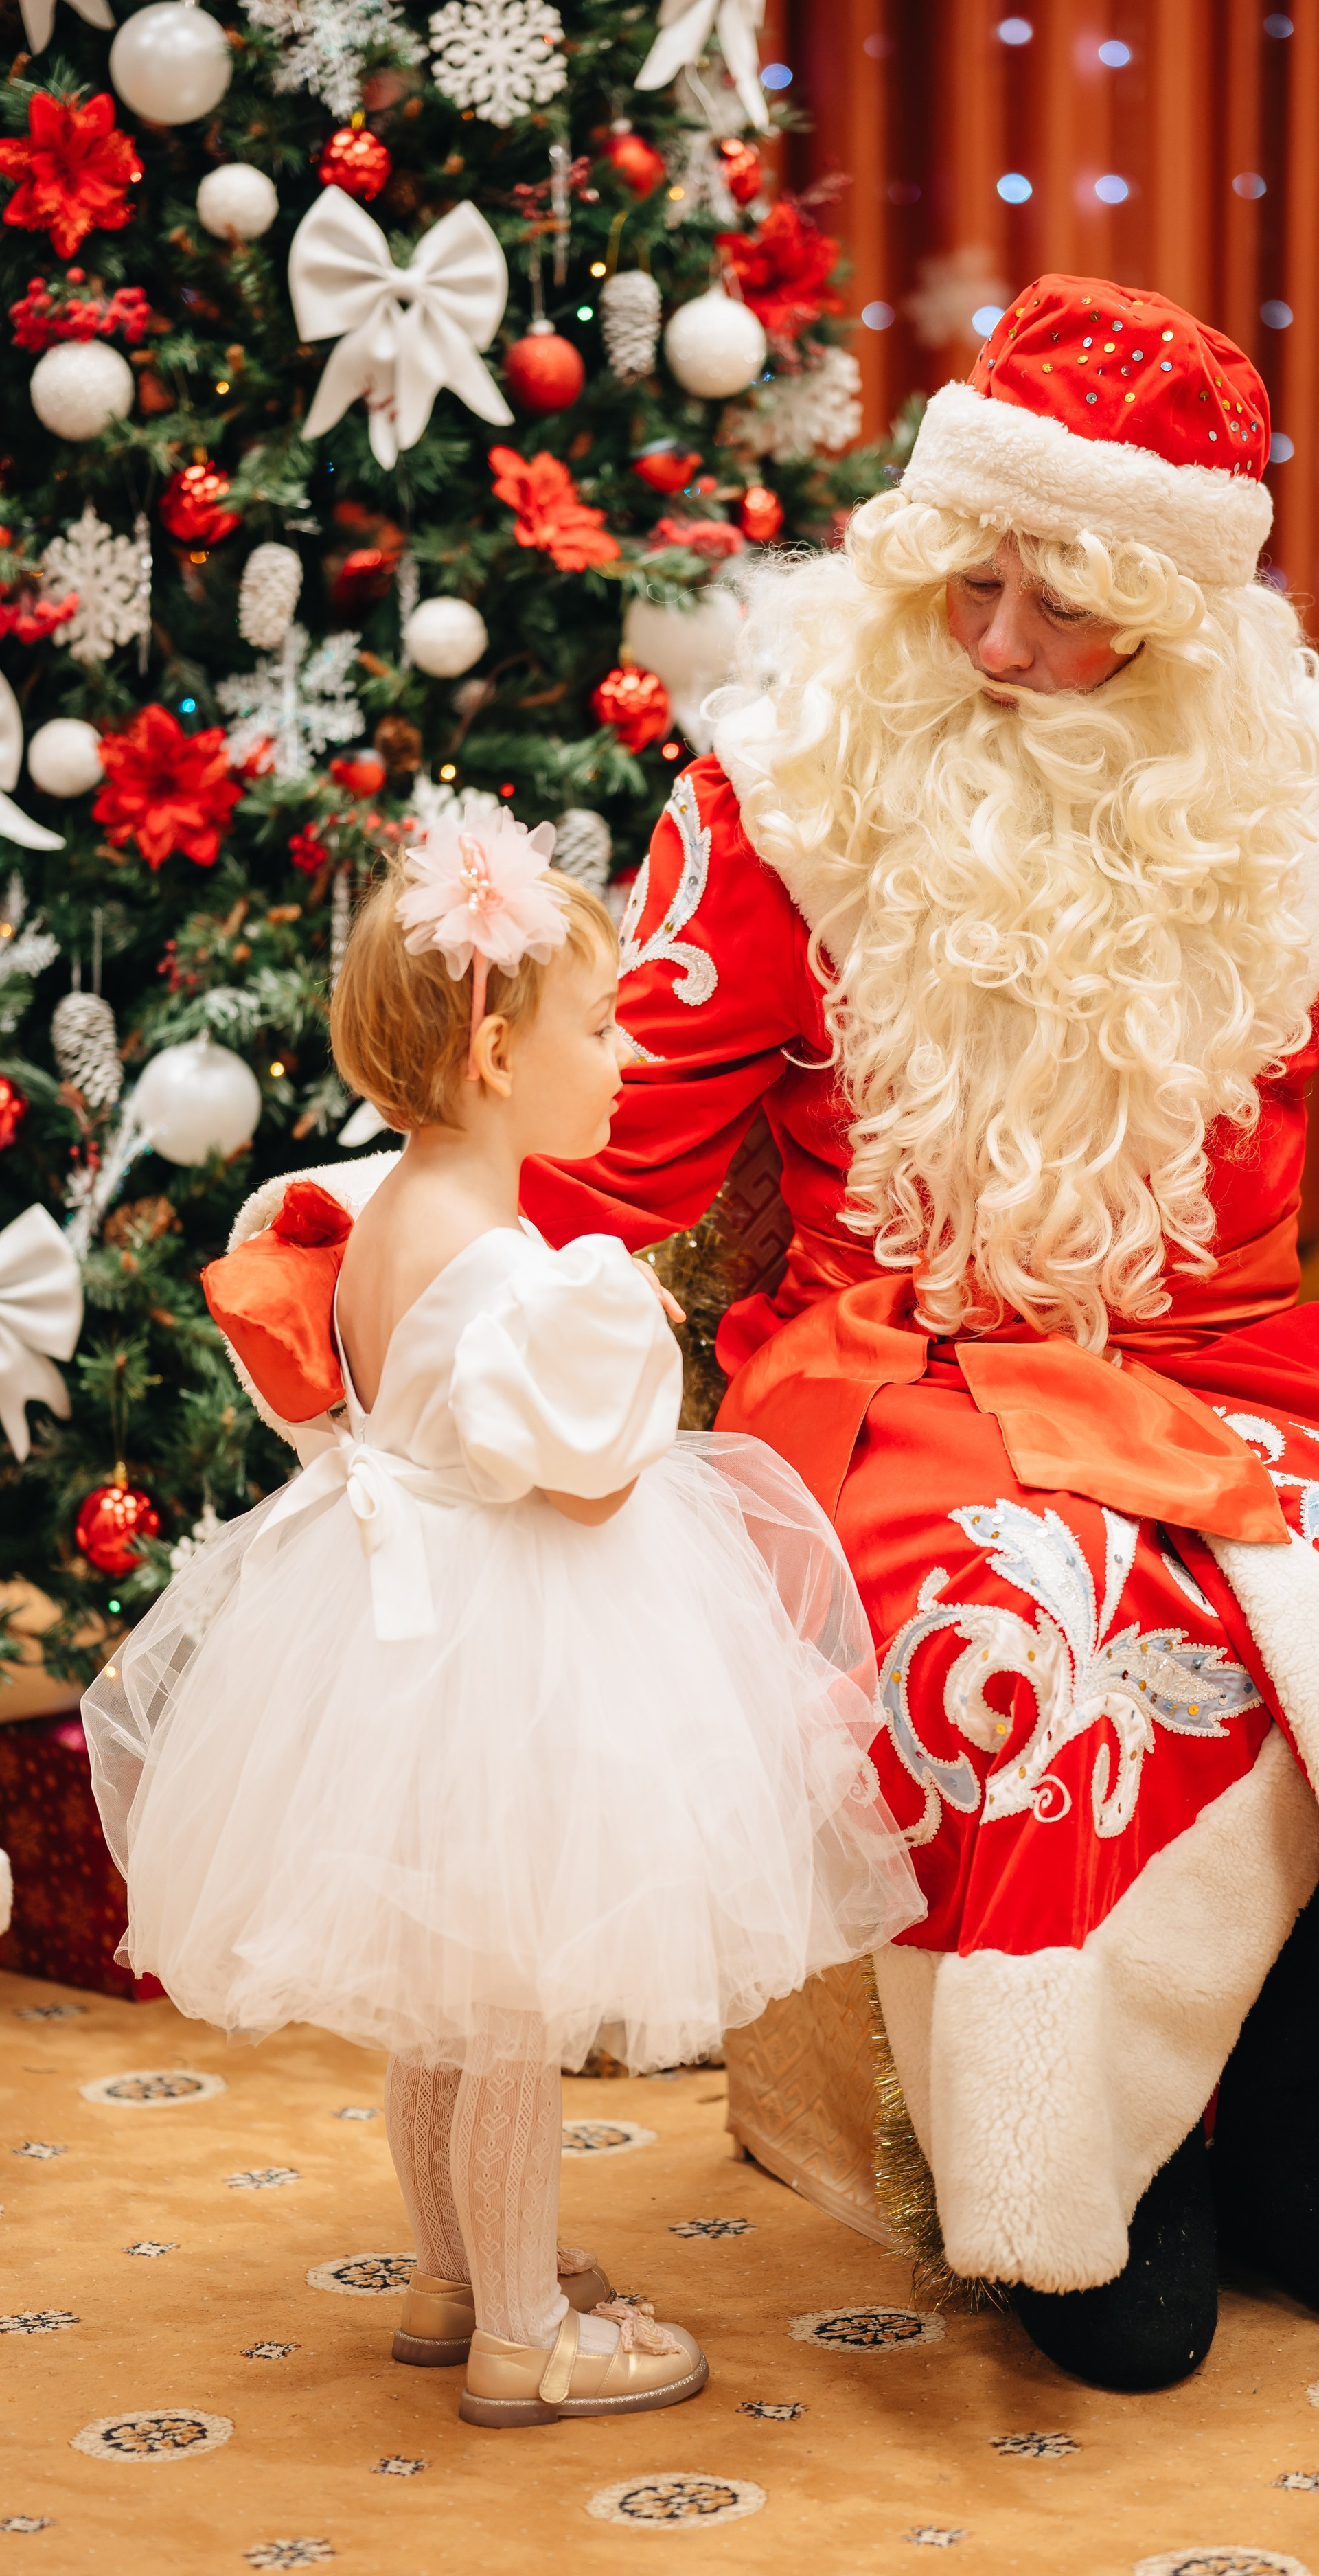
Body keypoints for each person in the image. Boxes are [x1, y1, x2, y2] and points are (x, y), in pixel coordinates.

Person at [525, 276, 1319, 2394]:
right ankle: (1104, 2185)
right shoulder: (792, 783)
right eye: (968, 583)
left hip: (1232, 1358)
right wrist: (428, 1253)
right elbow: (626, 1132)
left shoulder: (1312, 795)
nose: (995, 649)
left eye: (1063, 607)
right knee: (1059, 1631)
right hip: (904, 1366)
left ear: (1180, 627)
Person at [82, 807, 922, 2430]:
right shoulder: (528, 1278)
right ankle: (527, 2328)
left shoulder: (373, 1213)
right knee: (516, 2013)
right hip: (512, 1644)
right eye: (596, 1030)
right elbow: (597, 1487)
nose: (619, 1060)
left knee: (447, 2007)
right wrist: (641, 1337)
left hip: (393, 1637)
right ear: (491, 1055)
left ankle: (460, 2269)